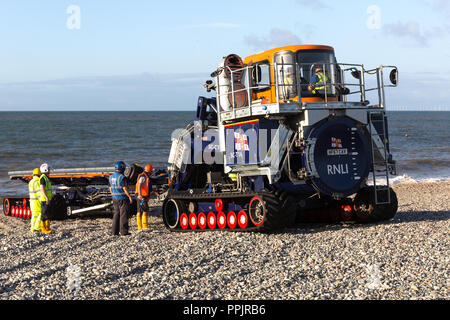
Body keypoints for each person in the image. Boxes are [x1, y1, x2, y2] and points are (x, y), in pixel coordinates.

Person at [109, 161, 133, 236]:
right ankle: (124, 232)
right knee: (124, 215)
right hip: (123, 198)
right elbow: (125, 189)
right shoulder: (122, 177)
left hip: (115, 198)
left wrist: (113, 195)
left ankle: (114, 232)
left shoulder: (111, 177)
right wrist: (130, 197)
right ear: (122, 168)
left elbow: (110, 188)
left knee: (116, 214)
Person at [135, 164, 159, 231]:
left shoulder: (144, 175)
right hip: (141, 196)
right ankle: (144, 226)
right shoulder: (143, 176)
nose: (152, 172)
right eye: (151, 171)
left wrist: (154, 192)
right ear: (149, 171)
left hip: (140, 195)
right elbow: (139, 185)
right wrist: (140, 195)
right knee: (145, 210)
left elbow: (147, 187)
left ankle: (140, 227)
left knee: (139, 211)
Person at [39, 163, 54, 234]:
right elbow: (42, 189)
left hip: (48, 199)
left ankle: (48, 227)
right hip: (44, 199)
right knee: (44, 214)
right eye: (49, 169)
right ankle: (43, 228)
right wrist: (46, 197)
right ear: (46, 169)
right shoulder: (42, 178)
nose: (50, 170)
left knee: (48, 213)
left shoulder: (46, 177)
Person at [29, 168, 42, 232]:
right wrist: (42, 201)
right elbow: (39, 193)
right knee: (41, 213)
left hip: (32, 202)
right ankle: (37, 227)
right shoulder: (37, 181)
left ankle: (32, 228)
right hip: (37, 202)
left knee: (34, 216)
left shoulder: (31, 181)